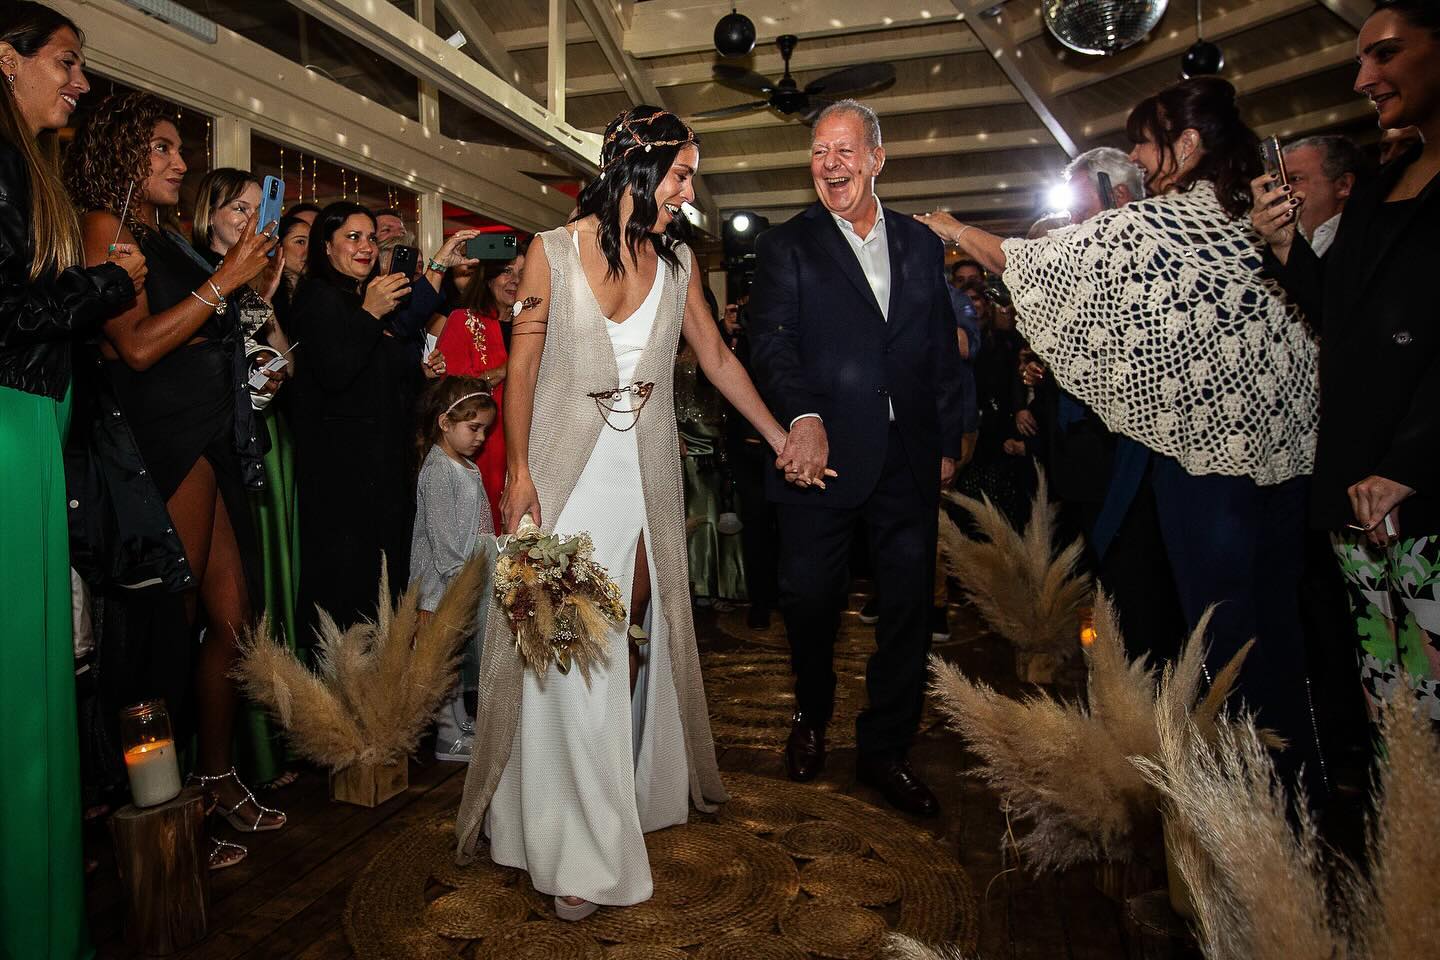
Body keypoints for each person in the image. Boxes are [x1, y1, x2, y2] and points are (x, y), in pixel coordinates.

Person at [916, 76, 1321, 778]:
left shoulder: (1167, 225)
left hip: (1207, 472)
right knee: (1278, 635)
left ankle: (1238, 799)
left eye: (1144, 140)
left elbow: (1031, 260)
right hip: (1286, 464)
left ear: (1186, 144)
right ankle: (1296, 790)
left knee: (1217, 640)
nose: (1136, 154)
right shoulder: (1253, 215)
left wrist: (951, 229)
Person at [455, 105, 798, 919]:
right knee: (566, 651)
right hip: (563, 478)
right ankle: (575, 846)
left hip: (641, 480)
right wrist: (520, 480)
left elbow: (715, 358)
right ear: (638, 169)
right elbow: (523, 369)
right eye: (681, 174)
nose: (689, 192)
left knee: (616, 650)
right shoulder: (551, 252)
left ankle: (593, 803)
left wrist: (781, 435)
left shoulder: (679, 265)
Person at [65, 92, 286, 869]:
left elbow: (209, 323)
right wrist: (226, 281)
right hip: (160, 446)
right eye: (160, 149)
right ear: (121, 155)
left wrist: (248, 291)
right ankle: (159, 817)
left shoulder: (158, 236)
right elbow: (136, 348)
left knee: (234, 622)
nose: (180, 162)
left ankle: (216, 775)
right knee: (163, 638)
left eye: (177, 149)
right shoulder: (103, 230)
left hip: (211, 440)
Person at [748, 99, 965, 817]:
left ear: (877, 157)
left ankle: (885, 748)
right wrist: (803, 418)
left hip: (908, 457)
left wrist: (948, 436)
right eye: (818, 152)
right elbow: (771, 345)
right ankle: (812, 714)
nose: (830, 164)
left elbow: (938, 347)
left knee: (907, 610)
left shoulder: (921, 244)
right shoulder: (788, 245)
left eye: (844, 151)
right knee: (809, 599)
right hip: (822, 459)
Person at [0, 5, 144, 955]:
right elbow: (8, 310)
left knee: (40, 680)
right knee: (27, 690)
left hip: (29, 422)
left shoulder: (24, 165)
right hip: (10, 424)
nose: (79, 82)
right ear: (4, 59)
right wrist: (113, 283)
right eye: (65, 62)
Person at [1252, 0, 1440, 721]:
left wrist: (1412, 463)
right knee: (1391, 706)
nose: (1363, 77)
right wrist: (1284, 250)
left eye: (1385, 54)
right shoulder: (1384, 185)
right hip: (1360, 492)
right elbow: (1345, 317)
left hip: (1422, 486)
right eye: (1361, 59)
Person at [287, 203, 473, 634]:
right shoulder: (317, 298)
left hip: (381, 475)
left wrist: (441, 263)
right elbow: (336, 371)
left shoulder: (360, 298)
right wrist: (370, 313)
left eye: (371, 237)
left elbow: (397, 337)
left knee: (382, 601)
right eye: (353, 237)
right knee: (346, 606)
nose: (366, 246)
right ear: (326, 247)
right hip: (342, 486)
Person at [191, 168, 301, 787]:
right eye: (236, 207)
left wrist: (270, 295)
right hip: (206, 458)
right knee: (219, 620)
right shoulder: (198, 274)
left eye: (259, 210)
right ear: (209, 213)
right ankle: (209, 771)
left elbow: (282, 360)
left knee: (250, 608)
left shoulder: (252, 281)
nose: (249, 219)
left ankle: (249, 759)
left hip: (252, 448)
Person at [410, 376, 497, 761]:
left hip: (466, 576)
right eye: (473, 427)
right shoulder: (439, 469)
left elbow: (481, 524)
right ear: (445, 422)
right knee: (441, 659)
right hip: (442, 584)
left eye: (485, 430)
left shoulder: (466, 466)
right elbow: (442, 537)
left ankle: (461, 722)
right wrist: (462, 578)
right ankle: (447, 734)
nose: (480, 437)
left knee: (459, 657)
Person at [435, 252, 524, 521]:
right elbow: (451, 391)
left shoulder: (535, 328)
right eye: (507, 271)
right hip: (481, 446)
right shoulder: (464, 320)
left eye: (523, 272)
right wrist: (507, 370)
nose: (516, 280)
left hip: (528, 444)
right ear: (488, 277)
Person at [1282, 134, 1362, 256]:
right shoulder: (1275, 239)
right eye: (1279, 182)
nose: (1281, 191)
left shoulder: (1370, 237)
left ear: (1343, 185)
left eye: (1295, 179)